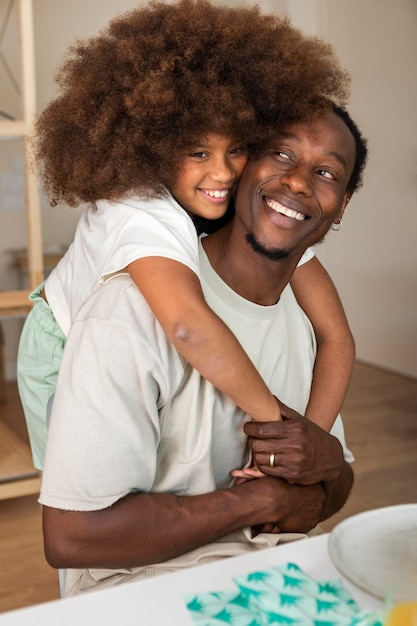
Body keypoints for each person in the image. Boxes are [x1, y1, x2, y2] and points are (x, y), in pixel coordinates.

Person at [39, 102, 368, 596]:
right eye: (280, 153)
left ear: (342, 206)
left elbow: (328, 489)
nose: (298, 181)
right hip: (150, 589)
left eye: (325, 172)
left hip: (279, 580)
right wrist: (266, 495)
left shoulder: (304, 315)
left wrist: (319, 454)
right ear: (245, 172)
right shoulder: (137, 297)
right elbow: (72, 535)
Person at [18, 0, 353, 471]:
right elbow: (187, 327)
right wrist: (277, 429)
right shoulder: (138, 211)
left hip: (142, 348)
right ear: (153, 145)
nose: (221, 172)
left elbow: (336, 335)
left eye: (236, 149)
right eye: (197, 151)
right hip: (63, 343)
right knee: (90, 488)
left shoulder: (239, 198)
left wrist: (310, 445)